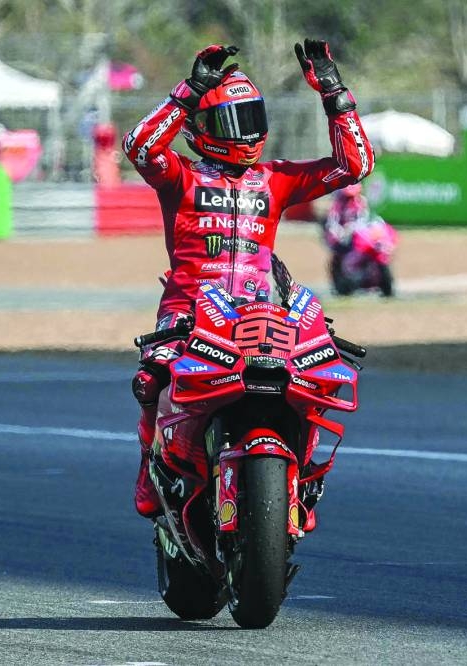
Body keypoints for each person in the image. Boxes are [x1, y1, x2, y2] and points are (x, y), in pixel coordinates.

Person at [122, 40, 375, 518]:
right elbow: (138, 146)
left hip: (262, 310)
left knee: (314, 379)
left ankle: (297, 472)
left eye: (253, 117)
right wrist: (188, 91)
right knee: (150, 381)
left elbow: (355, 165)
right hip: (189, 313)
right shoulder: (182, 176)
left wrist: (334, 94)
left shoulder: (275, 179)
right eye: (232, 120)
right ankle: (149, 467)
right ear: (202, 128)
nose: (247, 131)